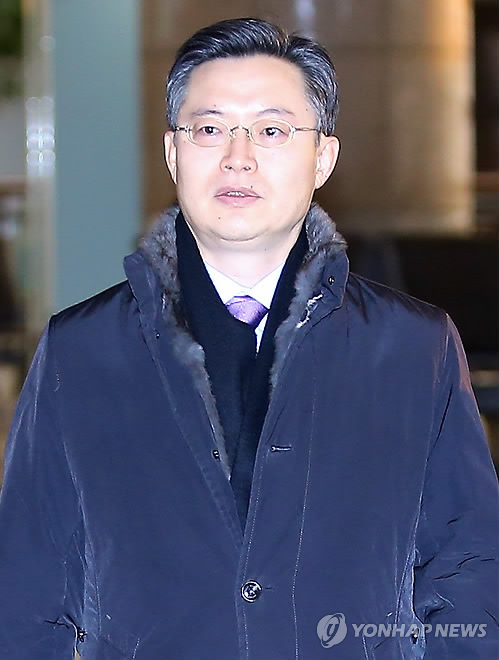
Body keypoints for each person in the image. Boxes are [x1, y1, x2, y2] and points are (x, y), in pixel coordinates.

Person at [0, 17, 497, 660]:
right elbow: (27, 592)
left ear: (323, 158)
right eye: (209, 130)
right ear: (173, 153)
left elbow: (469, 566)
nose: (239, 156)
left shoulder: (412, 347)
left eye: (271, 130)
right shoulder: (82, 350)